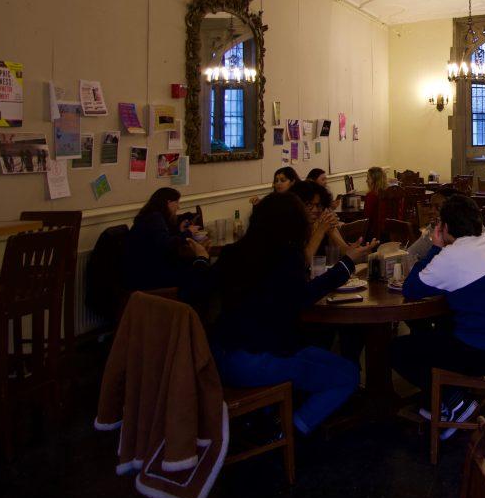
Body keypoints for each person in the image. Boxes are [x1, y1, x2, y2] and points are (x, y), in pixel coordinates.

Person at [210, 192, 374, 435]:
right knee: (348, 375)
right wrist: (347, 264)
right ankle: (289, 430)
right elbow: (304, 297)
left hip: (220, 357)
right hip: (259, 359)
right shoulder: (285, 257)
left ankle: (273, 417)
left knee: (325, 357)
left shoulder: (232, 253)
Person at [392, 195, 485, 434]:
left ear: (445, 227)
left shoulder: (450, 257)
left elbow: (411, 288)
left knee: (398, 350)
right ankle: (441, 404)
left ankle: (454, 401)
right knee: (435, 327)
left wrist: (435, 246)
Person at [123, 187, 209, 293]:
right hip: (150, 275)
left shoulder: (148, 216)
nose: (178, 206)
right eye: (176, 202)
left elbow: (161, 240)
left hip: (142, 271)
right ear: (168, 202)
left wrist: (180, 232)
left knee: (190, 265)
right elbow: (166, 244)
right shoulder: (155, 217)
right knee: (197, 272)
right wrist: (188, 233)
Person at [363, 166, 390, 241]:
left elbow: (366, 217)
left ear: (374, 181)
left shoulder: (371, 195)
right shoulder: (389, 193)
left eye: (368, 178)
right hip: (390, 232)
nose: (366, 181)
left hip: (374, 235)